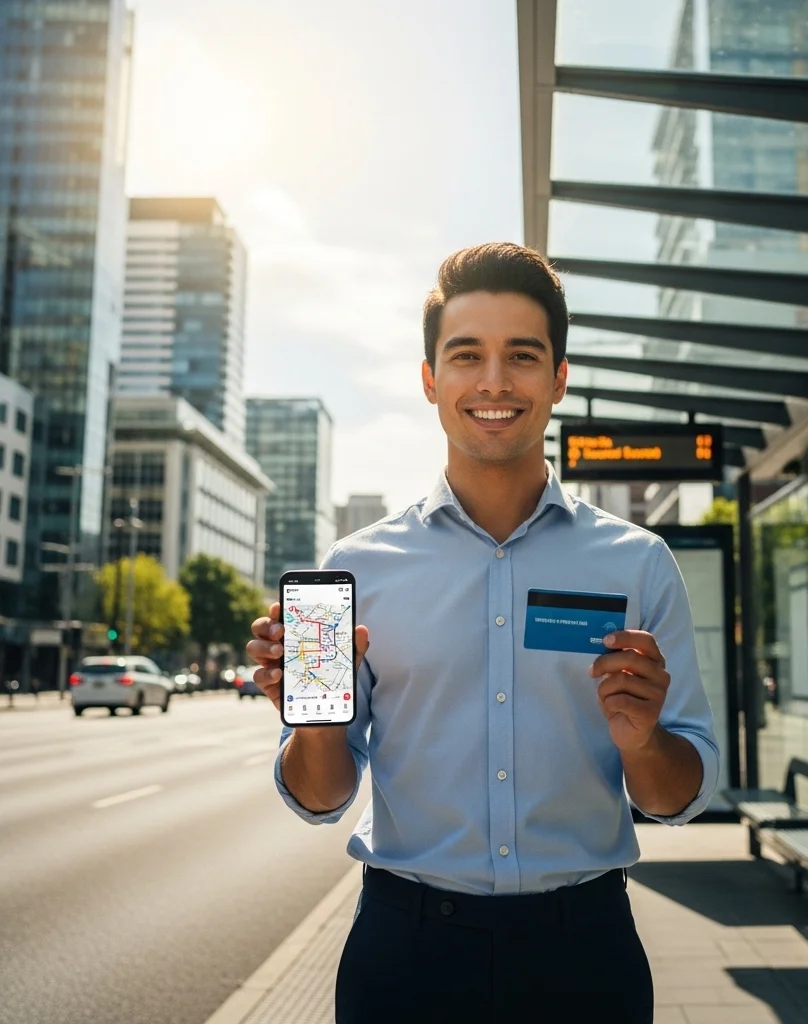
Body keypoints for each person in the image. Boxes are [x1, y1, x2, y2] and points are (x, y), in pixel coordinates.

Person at [247, 243, 719, 1024]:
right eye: (466, 356)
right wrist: (313, 722)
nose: (494, 382)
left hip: (586, 955)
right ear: (430, 379)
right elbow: (321, 796)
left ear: (559, 378)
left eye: (522, 357)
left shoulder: (637, 564)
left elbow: (676, 799)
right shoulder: (357, 567)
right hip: (405, 956)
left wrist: (641, 742)